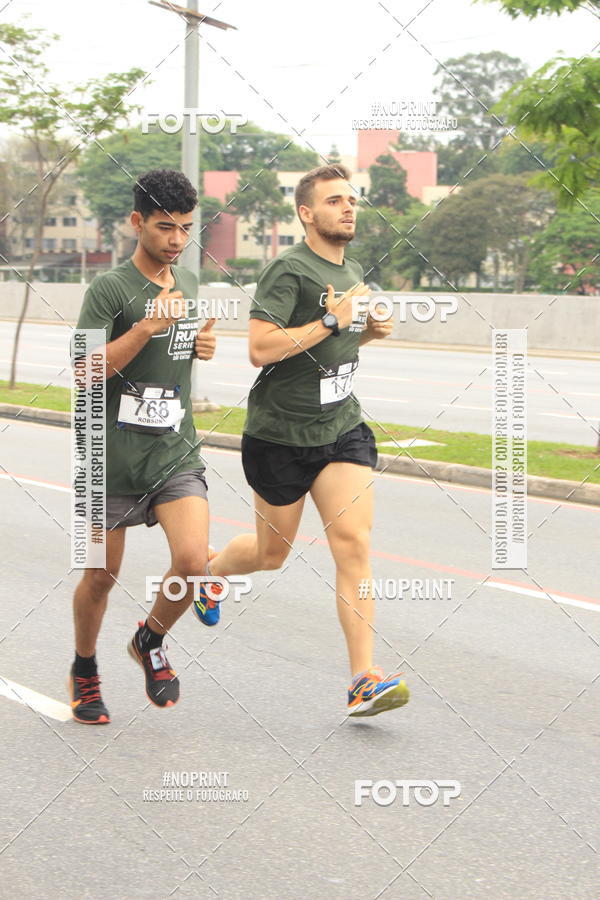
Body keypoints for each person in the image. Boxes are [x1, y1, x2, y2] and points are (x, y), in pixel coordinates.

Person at [193, 164, 409, 717]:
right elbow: (261, 349)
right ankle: (211, 573)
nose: (348, 207)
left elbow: (333, 348)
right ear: (306, 213)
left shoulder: (351, 268)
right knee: (271, 555)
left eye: (351, 199)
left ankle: (362, 680)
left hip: (341, 428)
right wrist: (334, 322)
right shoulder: (286, 269)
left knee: (354, 545)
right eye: (335, 200)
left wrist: (365, 332)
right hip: (280, 437)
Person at [69, 169, 216, 724]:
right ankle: (85, 668)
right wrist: (145, 328)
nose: (177, 240)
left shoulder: (190, 283)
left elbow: (176, 352)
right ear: (137, 222)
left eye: (186, 228)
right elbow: (84, 370)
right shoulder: (108, 290)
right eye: (165, 227)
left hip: (174, 451)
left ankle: (149, 639)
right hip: (107, 457)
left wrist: (199, 344)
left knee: (193, 560)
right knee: (100, 577)